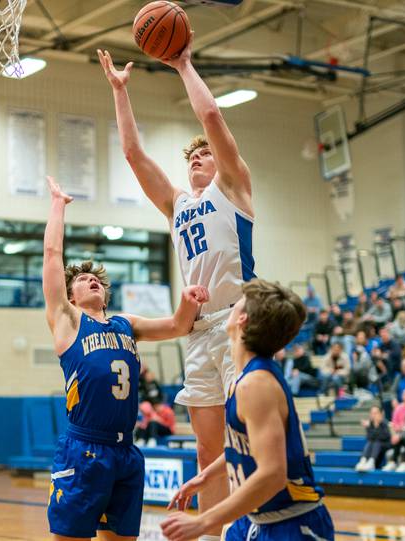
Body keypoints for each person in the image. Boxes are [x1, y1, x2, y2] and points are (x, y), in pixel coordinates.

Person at [101, 39, 256, 537]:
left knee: (247, 436)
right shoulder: (177, 207)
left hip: (238, 322)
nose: (197, 159)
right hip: (197, 333)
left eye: (205, 155)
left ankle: (259, 524)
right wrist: (120, 92)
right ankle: (213, 533)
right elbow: (131, 153)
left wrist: (184, 64)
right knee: (207, 450)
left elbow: (210, 115)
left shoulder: (233, 187)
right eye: (192, 156)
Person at [42, 176, 207, 540]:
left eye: (95, 278)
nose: (91, 281)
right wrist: (58, 204)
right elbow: (53, 257)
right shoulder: (68, 319)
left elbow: (179, 326)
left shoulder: (125, 324)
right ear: (70, 294)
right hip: (84, 449)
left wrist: (189, 299)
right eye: (82, 280)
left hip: (125, 451)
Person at [161, 280, 334, 541]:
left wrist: (202, 522)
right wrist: (205, 478)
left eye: (237, 302)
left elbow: (273, 474)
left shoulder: (256, 384)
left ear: (241, 319)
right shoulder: (245, 378)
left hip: (292, 525)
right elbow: (244, 445)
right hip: (255, 522)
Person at [356, 406, 391, 472]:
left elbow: (384, 437)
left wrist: (377, 426)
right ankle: (363, 460)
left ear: (381, 414)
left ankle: (372, 462)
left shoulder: (384, 423)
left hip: (384, 445)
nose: (374, 415)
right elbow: (369, 437)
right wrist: (371, 427)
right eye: (372, 413)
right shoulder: (370, 424)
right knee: (369, 442)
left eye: (376, 413)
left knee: (376, 442)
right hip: (374, 445)